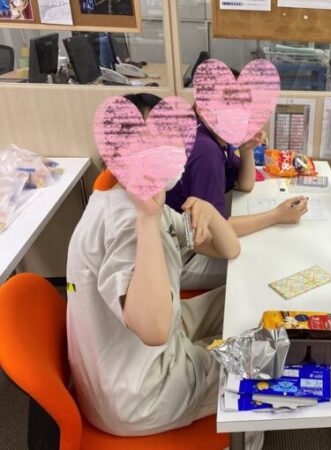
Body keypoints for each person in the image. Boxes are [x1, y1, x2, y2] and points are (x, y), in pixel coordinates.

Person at [66, 98, 241, 437]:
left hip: (123, 364)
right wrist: (147, 219)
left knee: (238, 296)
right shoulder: (131, 219)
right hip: (142, 393)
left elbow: (230, 248)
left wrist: (207, 210)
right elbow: (155, 330)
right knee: (257, 359)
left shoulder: (121, 195)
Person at [165, 95, 308, 290]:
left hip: (188, 238)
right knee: (261, 262)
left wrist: (246, 149)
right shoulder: (206, 150)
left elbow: (245, 184)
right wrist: (277, 215)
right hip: (182, 256)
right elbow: (217, 227)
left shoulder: (211, 135)